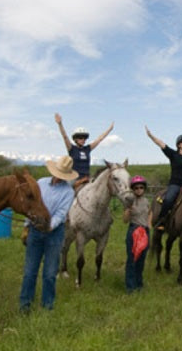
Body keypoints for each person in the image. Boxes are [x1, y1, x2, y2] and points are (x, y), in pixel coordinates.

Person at [18, 156, 77, 312]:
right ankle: (25, 305)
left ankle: (47, 306)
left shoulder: (68, 192)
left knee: (50, 273)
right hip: (35, 231)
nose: (58, 176)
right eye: (57, 172)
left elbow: (61, 213)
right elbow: (31, 205)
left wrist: (49, 226)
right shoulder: (40, 183)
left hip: (54, 233)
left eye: (62, 174)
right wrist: (26, 226)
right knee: (30, 271)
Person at [55, 113, 114, 187]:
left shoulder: (87, 149)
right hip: (74, 178)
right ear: (75, 139)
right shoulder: (71, 148)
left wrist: (109, 129)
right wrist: (60, 124)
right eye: (80, 137)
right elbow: (65, 137)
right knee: (69, 190)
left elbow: (99, 139)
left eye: (84, 138)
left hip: (86, 178)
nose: (83, 140)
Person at [123, 175, 152, 293]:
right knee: (132, 259)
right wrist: (128, 210)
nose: (139, 190)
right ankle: (130, 286)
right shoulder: (130, 201)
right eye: (136, 188)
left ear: (144, 188)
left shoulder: (146, 201)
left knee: (141, 259)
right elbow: (124, 220)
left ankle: (139, 283)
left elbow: (150, 212)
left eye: (141, 187)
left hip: (145, 230)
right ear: (133, 189)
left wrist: (149, 223)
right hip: (134, 230)